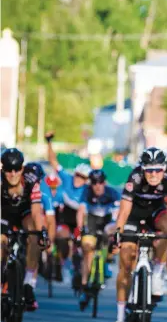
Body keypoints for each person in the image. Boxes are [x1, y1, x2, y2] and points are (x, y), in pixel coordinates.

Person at [112, 147, 167, 322]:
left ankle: (158, 272)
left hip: (156, 215)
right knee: (126, 262)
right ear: (142, 168)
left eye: (158, 170)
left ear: (164, 168)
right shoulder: (134, 179)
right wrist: (118, 233)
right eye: (149, 170)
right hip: (133, 216)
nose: (153, 174)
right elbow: (124, 212)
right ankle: (119, 321)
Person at [1, 149, 49, 311]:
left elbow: (36, 211)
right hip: (4, 213)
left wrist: (41, 231)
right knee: (1, 241)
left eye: (16, 169)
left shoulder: (31, 179)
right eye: (8, 169)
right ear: (3, 169)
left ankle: (29, 283)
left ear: (22, 168)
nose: (12, 173)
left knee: (34, 236)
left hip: (24, 212)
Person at [46, 131, 89, 287]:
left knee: (85, 241)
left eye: (83, 178)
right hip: (64, 217)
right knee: (62, 236)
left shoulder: (87, 190)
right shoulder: (66, 178)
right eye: (78, 175)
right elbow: (53, 161)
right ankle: (60, 262)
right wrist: (49, 142)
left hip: (78, 220)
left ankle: (81, 267)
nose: (79, 179)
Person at [77, 169, 120, 310]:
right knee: (87, 249)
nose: (97, 186)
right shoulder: (86, 192)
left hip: (107, 222)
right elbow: (81, 211)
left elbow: (119, 212)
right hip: (92, 223)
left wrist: (115, 228)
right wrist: (80, 229)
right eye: (94, 182)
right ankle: (84, 285)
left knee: (112, 237)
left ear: (104, 182)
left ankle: (107, 260)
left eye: (100, 182)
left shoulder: (112, 193)